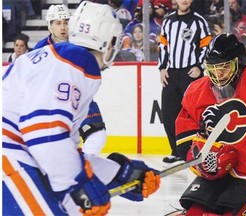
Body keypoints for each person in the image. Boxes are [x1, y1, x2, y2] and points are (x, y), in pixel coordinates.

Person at [2, 2, 161, 215]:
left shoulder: (58, 57)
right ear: (108, 41)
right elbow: (45, 135)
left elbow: (62, 147)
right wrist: (79, 184)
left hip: (18, 155)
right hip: (10, 158)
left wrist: (118, 174)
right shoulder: (76, 63)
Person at [175, 33, 246, 215]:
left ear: (239, 63)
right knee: (194, 212)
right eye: (213, 68)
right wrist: (203, 160)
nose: (218, 74)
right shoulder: (196, 90)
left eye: (224, 68)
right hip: (214, 176)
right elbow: (186, 141)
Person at [34, 4, 108, 157]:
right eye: (58, 23)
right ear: (50, 26)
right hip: (51, 105)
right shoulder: (39, 50)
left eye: (66, 22)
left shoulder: (81, 43)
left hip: (79, 100)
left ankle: (85, 169)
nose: (63, 27)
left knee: (97, 135)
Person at [158, 0, 212, 163]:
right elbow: (163, 46)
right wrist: (162, 67)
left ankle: (193, 150)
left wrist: (199, 67)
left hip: (190, 74)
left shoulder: (199, 21)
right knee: (169, 114)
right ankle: (176, 151)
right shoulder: (168, 21)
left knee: (191, 114)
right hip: (171, 74)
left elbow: (206, 45)